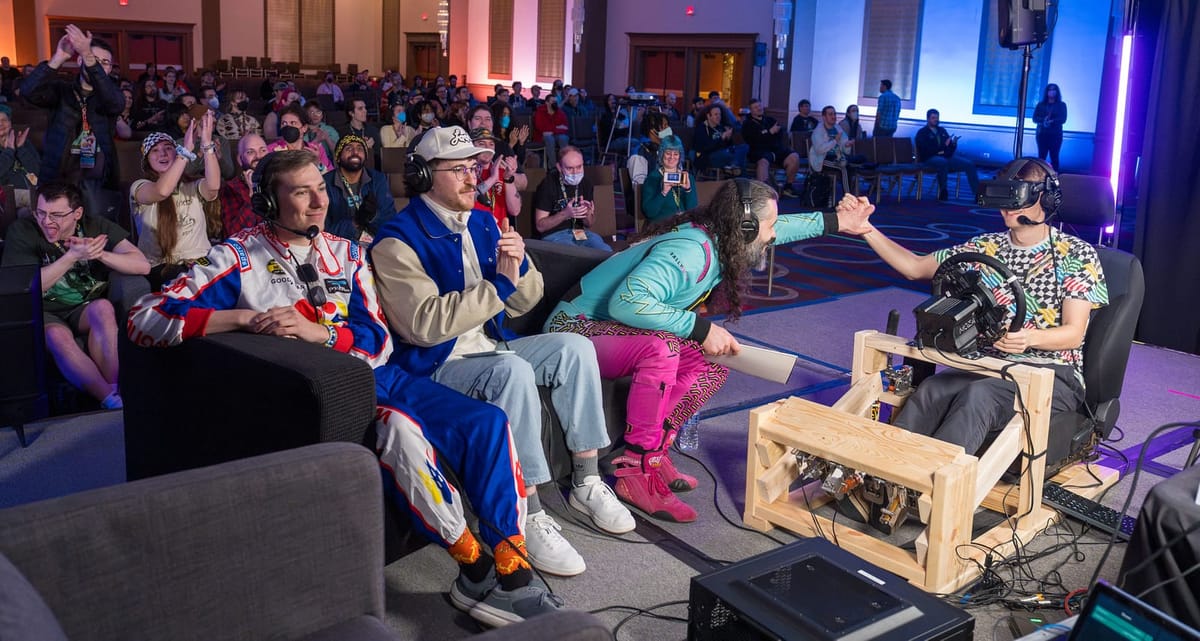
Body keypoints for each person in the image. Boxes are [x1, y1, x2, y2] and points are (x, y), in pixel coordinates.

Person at [126, 149, 564, 627]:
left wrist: (324, 334)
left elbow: (377, 341)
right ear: (270, 203)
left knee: (487, 422)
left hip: (379, 375)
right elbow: (146, 318)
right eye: (301, 192)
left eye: (321, 187)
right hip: (328, 394)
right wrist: (243, 318)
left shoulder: (346, 253)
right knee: (403, 435)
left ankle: (512, 570)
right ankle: (475, 569)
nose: (318, 202)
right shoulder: (236, 257)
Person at [371, 126, 634, 578]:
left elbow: (525, 300)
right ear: (422, 175)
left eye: (473, 167)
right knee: (511, 371)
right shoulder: (396, 240)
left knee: (574, 348)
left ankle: (586, 480)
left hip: (493, 346)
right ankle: (526, 513)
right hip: (437, 366)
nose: (472, 178)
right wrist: (500, 284)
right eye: (458, 170)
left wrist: (519, 267)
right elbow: (423, 326)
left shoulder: (483, 220)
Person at [544, 179, 875, 520]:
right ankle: (636, 471)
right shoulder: (690, 252)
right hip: (572, 331)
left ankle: (656, 452)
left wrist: (839, 222)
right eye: (769, 226)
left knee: (709, 365)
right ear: (745, 227)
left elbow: (782, 226)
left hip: (608, 329)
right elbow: (627, 301)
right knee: (663, 350)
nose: (773, 235)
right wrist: (699, 328)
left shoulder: (721, 236)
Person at [853, 158, 1107, 455]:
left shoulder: (1076, 254)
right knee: (932, 390)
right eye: (1002, 195)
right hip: (989, 365)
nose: (1007, 207)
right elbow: (914, 267)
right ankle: (881, 470)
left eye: (1016, 196)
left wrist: (1030, 338)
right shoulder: (984, 247)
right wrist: (865, 229)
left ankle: (935, 489)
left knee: (979, 396)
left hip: (1053, 374)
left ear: (1045, 198)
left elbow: (1074, 334)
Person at [2, 180, 150, 409]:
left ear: (77, 213)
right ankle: (109, 400)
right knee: (57, 337)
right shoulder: (23, 231)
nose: (47, 221)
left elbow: (143, 265)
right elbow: (27, 285)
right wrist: (71, 256)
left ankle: (116, 389)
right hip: (43, 310)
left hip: (83, 307)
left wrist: (99, 254)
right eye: (41, 212)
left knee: (103, 308)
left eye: (57, 215)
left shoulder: (96, 226)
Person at [19, 25, 124, 214]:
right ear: (79, 60)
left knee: (97, 234)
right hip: (58, 176)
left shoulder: (111, 94)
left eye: (105, 62)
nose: (98, 65)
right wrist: (59, 57)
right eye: (93, 58)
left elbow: (115, 104)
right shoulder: (62, 90)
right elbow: (28, 92)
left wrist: (89, 56)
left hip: (97, 178)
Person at [131, 115, 222, 289]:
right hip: (161, 268)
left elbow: (213, 186)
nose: (163, 153)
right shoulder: (140, 187)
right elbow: (161, 191)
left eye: (168, 148)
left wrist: (207, 145)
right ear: (147, 160)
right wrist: (185, 151)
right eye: (155, 150)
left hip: (199, 264)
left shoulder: (191, 185)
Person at [533, 146, 612, 251]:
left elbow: (590, 223)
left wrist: (587, 213)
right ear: (559, 167)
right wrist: (566, 213)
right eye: (570, 168)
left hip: (579, 233)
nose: (575, 172)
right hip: (554, 235)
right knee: (576, 254)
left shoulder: (585, 183)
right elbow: (540, 226)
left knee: (605, 250)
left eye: (579, 167)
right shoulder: (548, 185)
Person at [323, 134, 396, 243]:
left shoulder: (377, 179)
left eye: (360, 149)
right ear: (338, 157)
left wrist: (373, 217)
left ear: (365, 156)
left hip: (374, 244)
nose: (355, 152)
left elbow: (390, 219)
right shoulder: (325, 183)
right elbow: (323, 229)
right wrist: (354, 222)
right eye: (348, 148)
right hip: (337, 247)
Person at [914, 108, 980, 201]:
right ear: (928, 119)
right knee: (942, 162)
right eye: (933, 118)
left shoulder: (942, 131)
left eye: (937, 118)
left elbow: (948, 150)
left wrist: (953, 144)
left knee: (969, 164)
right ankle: (943, 191)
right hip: (929, 158)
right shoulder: (922, 133)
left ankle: (977, 193)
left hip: (945, 156)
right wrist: (943, 146)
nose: (936, 120)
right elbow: (926, 151)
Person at [742, 98, 802, 197]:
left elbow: (779, 134)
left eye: (759, 106)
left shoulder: (770, 120)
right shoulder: (747, 124)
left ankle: (788, 186)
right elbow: (754, 140)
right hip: (758, 151)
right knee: (762, 162)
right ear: (751, 110)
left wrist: (766, 135)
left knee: (794, 156)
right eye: (755, 107)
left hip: (776, 149)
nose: (759, 108)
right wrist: (769, 132)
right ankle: (764, 193)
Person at [470, 127, 522, 229]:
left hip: (499, 235)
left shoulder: (503, 172)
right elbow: (469, 198)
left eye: (491, 144)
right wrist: (492, 179)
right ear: (471, 147)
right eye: (481, 143)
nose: (488, 148)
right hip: (474, 233)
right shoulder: (466, 172)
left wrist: (508, 178)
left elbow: (515, 210)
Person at [218, 133, 268, 237]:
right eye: (250, 152)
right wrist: (252, 196)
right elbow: (234, 234)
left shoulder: (280, 183)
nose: (258, 156)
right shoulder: (230, 188)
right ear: (240, 160)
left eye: (263, 150)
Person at [640, 135, 696, 223]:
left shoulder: (688, 178)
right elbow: (649, 213)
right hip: (662, 227)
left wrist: (688, 190)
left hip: (683, 226)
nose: (672, 157)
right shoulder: (653, 178)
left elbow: (693, 212)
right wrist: (663, 193)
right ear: (662, 154)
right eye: (668, 153)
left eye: (676, 154)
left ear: (680, 156)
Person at [266, 104, 333, 174]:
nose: (288, 126)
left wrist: (317, 162)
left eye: (293, 123)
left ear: (304, 128)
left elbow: (330, 176)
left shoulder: (316, 149)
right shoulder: (271, 150)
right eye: (284, 123)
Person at [808, 105, 853, 196]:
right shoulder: (818, 131)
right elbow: (820, 150)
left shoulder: (838, 129)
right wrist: (835, 141)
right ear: (824, 117)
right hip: (822, 159)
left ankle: (850, 195)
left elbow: (845, 147)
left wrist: (847, 145)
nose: (834, 116)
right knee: (843, 168)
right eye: (830, 114)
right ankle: (848, 198)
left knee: (850, 167)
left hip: (837, 157)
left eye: (834, 114)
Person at [693, 104, 747, 176]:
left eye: (720, 114)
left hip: (723, 153)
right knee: (737, 159)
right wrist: (721, 138)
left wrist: (728, 138)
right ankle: (735, 170)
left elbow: (726, 145)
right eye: (716, 114)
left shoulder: (720, 127)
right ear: (709, 116)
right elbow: (706, 147)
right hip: (708, 156)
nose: (719, 117)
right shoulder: (702, 129)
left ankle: (733, 167)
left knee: (744, 147)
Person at [0, 104, 40, 196]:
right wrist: (9, 151)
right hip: (5, 197)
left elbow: (36, 170)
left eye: (4, 120)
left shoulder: (23, 142)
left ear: (10, 123)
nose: (0, 124)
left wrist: (21, 148)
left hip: (30, 193)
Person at [1033, 83, 1067, 170]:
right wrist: (1043, 121)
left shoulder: (1061, 105)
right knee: (1041, 157)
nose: (1052, 92)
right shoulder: (1041, 105)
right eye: (1050, 90)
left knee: (1054, 157)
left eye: (1054, 90)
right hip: (1042, 135)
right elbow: (1034, 118)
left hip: (1055, 135)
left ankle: (1054, 178)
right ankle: (1040, 177)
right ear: (1047, 92)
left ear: (1057, 92)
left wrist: (1052, 121)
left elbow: (1063, 119)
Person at [532, 95, 569, 164]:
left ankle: (564, 164)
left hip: (556, 134)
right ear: (547, 103)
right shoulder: (540, 111)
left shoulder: (560, 112)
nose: (555, 103)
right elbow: (540, 127)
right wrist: (557, 128)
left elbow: (565, 127)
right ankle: (553, 166)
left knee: (563, 138)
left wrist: (552, 130)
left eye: (556, 102)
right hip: (541, 136)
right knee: (549, 138)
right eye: (553, 101)